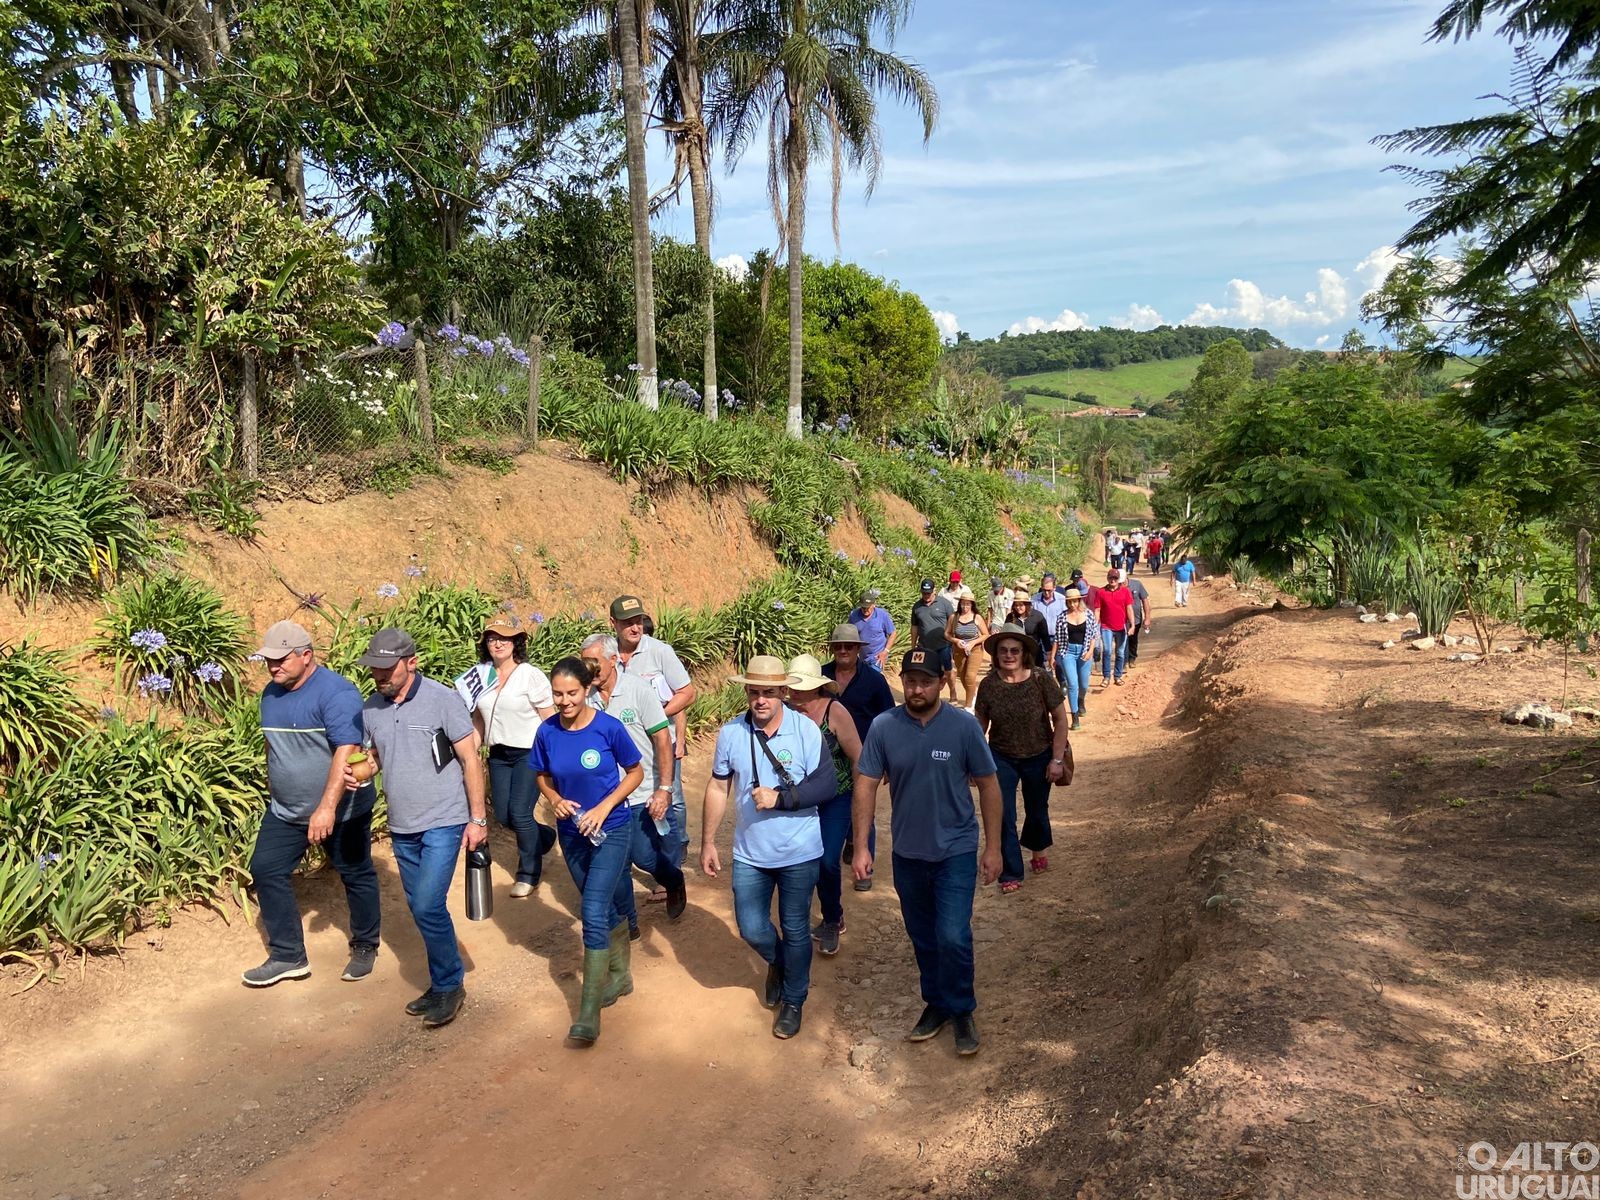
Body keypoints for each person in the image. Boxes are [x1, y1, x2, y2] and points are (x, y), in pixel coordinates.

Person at [852, 648, 1001, 1056]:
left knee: (952, 934)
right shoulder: (884, 727)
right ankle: (936, 1003)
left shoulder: (962, 727)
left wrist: (994, 847)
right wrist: (862, 846)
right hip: (908, 853)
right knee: (922, 936)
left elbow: (989, 784)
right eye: (910, 681)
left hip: (955, 849)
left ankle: (962, 1009)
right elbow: (865, 784)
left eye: (926, 681)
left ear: (941, 681)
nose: (917, 689)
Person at [348, 628, 486, 1028]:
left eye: (387, 668)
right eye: (374, 668)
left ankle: (449, 985)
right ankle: (442, 981)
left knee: (426, 904)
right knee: (423, 907)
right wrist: (362, 771)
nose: (379, 676)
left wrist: (478, 819)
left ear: (412, 662)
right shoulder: (371, 708)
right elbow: (374, 757)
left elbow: (470, 760)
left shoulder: (443, 700)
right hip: (402, 824)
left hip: (444, 818)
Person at [243, 620, 380, 988]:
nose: (274, 667)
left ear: (307, 655)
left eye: (282, 659)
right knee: (266, 868)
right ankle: (288, 956)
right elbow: (273, 745)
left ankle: (365, 944)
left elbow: (346, 751)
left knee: (354, 871)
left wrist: (326, 808)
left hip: (342, 807)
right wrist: (275, 788)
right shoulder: (270, 694)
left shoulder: (336, 693)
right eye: (269, 661)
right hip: (286, 810)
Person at [702, 656, 826, 1040]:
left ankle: (793, 1000)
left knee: (795, 927)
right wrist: (707, 841)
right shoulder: (731, 733)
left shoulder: (805, 730)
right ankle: (779, 962)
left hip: (799, 850)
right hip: (749, 853)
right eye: (754, 692)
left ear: (783, 694)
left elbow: (825, 786)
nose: (760, 700)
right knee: (753, 928)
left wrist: (781, 799)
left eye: (768, 693)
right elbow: (718, 786)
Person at [530, 656, 645, 1046]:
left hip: (611, 828)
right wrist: (554, 798)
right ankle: (620, 976)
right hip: (572, 833)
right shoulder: (546, 732)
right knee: (600, 904)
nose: (564, 701)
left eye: (572, 693)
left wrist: (604, 806)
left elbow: (636, 772)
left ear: (587, 690)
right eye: (557, 694)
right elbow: (542, 775)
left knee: (592, 910)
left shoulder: (608, 728)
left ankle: (588, 1011)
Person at [579, 633, 686, 927]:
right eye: (583, 662)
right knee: (616, 864)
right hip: (604, 798)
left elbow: (662, 740)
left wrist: (664, 789)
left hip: (639, 792)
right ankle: (628, 923)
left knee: (645, 858)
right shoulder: (584, 697)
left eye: (594, 662)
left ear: (613, 660)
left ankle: (673, 879)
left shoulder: (638, 691)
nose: (588, 669)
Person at [975, 624, 1072, 894]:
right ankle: (1011, 871)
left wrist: (1056, 759)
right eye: (1003, 651)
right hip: (1001, 756)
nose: (1008, 655)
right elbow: (979, 724)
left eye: (1014, 650)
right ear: (996, 655)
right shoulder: (988, 685)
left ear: (1024, 653)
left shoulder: (1041, 679)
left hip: (1039, 754)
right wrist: (973, 759)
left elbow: (1061, 719)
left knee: (1037, 808)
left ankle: (1038, 847)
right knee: (1002, 813)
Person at [610, 595, 695, 886]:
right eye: (627, 622)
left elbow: (686, 692)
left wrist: (656, 716)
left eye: (638, 621)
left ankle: (669, 875)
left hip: (659, 742)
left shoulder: (660, 652)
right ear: (614, 624)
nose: (635, 627)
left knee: (665, 803)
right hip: (621, 748)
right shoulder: (607, 656)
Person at [470, 617, 556, 899]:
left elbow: (549, 719)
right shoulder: (480, 675)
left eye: (505, 638)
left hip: (529, 752)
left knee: (520, 813)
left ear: (516, 643)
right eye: (492, 638)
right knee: (505, 815)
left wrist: (555, 757)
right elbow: (478, 721)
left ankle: (528, 873)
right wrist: (469, 752)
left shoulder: (530, 675)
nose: (497, 642)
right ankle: (543, 837)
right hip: (498, 754)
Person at [785, 653, 862, 958]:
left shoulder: (834, 711)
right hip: (798, 799)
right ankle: (796, 921)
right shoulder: (785, 712)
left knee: (828, 859)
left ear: (818, 687)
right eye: (793, 686)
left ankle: (832, 918)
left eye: (803, 686)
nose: (796, 692)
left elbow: (858, 756)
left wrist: (860, 801)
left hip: (836, 797)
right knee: (798, 861)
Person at [820, 623, 891, 890]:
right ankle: (846, 841)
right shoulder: (821, 676)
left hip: (866, 757)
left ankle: (864, 867)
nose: (843, 650)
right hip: (827, 758)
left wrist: (887, 760)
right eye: (838, 646)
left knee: (864, 810)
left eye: (848, 646)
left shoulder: (874, 680)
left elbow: (888, 720)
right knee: (832, 806)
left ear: (858, 649)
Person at [1053, 589, 1098, 730]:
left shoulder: (1089, 615)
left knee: (1083, 685)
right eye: (1070, 601)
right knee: (1072, 684)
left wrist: (1090, 651)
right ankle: (1074, 717)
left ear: (1079, 601)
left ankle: (1081, 700)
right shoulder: (1062, 617)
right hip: (1068, 652)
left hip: (1084, 651)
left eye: (1075, 601)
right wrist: (1053, 656)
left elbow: (1093, 635)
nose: (1072, 604)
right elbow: (1057, 638)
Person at [911, 578, 958, 701]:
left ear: (934, 591)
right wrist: (912, 645)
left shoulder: (944, 604)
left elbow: (953, 622)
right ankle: (929, 695)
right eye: (924, 593)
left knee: (948, 671)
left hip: (943, 645)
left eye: (928, 593)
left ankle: (953, 693)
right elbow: (914, 627)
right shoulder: (917, 606)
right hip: (924, 646)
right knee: (925, 672)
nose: (926, 595)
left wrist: (953, 640)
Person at [943, 587, 990, 708]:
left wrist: (973, 643)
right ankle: (973, 695)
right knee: (963, 677)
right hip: (959, 650)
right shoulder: (954, 617)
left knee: (970, 676)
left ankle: (969, 706)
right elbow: (946, 634)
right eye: (963, 604)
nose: (965, 607)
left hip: (975, 649)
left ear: (972, 605)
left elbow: (986, 634)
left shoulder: (977, 617)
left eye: (967, 604)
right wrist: (956, 640)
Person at [1095, 569, 1136, 687]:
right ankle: (1106, 677)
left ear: (1119, 580)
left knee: (1120, 653)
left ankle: (1117, 676)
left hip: (1121, 627)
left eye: (1115, 578)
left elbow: (1129, 608)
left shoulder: (1125, 591)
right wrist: (1094, 626)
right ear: (1107, 578)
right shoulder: (1101, 592)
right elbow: (1097, 610)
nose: (1113, 580)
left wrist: (1132, 625)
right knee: (1107, 651)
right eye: (1110, 578)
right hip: (1106, 626)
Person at [847, 589, 897, 671]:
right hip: (861, 657)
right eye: (863, 607)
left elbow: (893, 633)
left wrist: (885, 651)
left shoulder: (882, 615)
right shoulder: (854, 615)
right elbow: (849, 633)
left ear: (874, 605)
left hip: (877, 657)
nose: (865, 610)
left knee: (873, 679)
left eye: (868, 607)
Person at [1031, 573, 1068, 684]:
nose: (1047, 593)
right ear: (1041, 588)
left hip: (1058, 637)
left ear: (1054, 588)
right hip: (1042, 638)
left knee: (1059, 662)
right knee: (1045, 663)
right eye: (1044, 590)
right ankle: (1050, 685)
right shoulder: (1034, 600)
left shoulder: (1062, 600)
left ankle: (1062, 683)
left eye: (1049, 590)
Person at [1008, 582, 1051, 667]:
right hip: (1016, 653)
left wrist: (1049, 652)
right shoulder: (1011, 617)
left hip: (1034, 653)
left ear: (1027, 605)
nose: (1018, 608)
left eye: (1021, 605)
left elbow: (1044, 636)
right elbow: (1006, 633)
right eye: (1016, 605)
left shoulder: (1037, 616)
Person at [1124, 572, 1153, 670]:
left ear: (1126, 578)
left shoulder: (1137, 584)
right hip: (1122, 620)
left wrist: (1147, 618)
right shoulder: (1116, 587)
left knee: (1133, 639)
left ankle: (1132, 659)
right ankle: (1123, 662)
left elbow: (1145, 600)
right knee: (1122, 640)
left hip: (1136, 619)